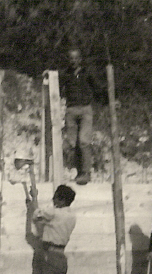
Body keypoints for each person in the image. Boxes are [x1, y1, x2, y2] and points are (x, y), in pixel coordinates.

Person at [60, 48, 100, 186]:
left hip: (85, 109)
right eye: (71, 58)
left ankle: (86, 173)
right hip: (71, 109)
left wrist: (110, 100)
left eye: (76, 58)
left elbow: (97, 89)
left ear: (80, 59)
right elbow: (57, 88)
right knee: (72, 143)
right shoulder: (65, 74)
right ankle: (78, 172)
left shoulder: (87, 73)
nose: (73, 61)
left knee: (84, 141)